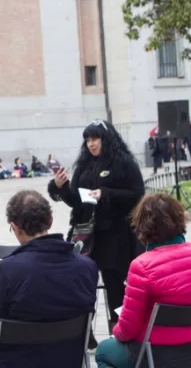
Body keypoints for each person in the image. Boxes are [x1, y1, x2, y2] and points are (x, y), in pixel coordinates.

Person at [0, 190, 98, 367]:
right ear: (50, 220)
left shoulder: (6, 270)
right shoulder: (87, 267)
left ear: (15, 227)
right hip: (68, 359)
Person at [47, 119, 145, 345]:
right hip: (86, 233)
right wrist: (61, 187)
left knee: (114, 285)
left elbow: (137, 194)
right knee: (82, 283)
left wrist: (106, 194)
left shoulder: (125, 163)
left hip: (115, 234)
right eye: (88, 140)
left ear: (106, 138)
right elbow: (76, 200)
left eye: (95, 138)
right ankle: (84, 333)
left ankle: (119, 332)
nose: (91, 144)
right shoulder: (83, 165)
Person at [94, 194, 191, 368]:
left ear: (143, 226)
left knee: (103, 352)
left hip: (156, 356)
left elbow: (128, 330)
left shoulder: (141, 265)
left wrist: (115, 332)